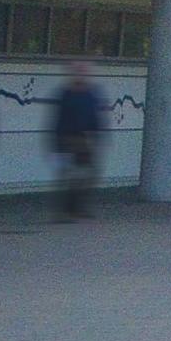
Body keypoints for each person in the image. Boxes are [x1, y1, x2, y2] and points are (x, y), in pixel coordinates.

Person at [49, 60, 107, 221]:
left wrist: (98, 136)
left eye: (85, 71)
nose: (82, 74)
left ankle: (78, 208)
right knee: (70, 176)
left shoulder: (91, 93)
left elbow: (95, 117)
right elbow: (58, 121)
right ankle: (65, 211)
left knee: (89, 175)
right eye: (79, 71)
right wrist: (57, 145)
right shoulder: (66, 94)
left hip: (85, 139)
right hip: (67, 138)